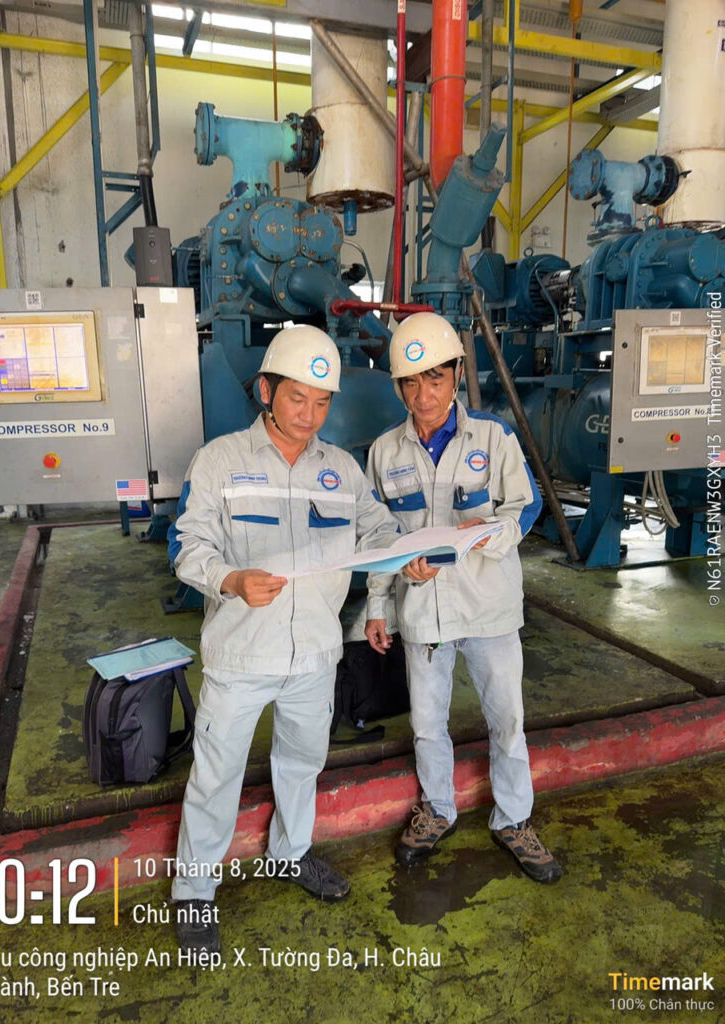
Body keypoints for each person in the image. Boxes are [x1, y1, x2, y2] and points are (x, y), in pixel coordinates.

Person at [170, 325, 401, 953]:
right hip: (241, 653)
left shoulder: (342, 470)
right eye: (298, 398)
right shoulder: (221, 461)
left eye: (322, 402)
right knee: (216, 774)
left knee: (301, 764)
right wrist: (230, 579)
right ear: (267, 391)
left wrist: (408, 553)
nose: (310, 414)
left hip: (315, 654)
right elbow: (188, 546)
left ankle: (290, 853)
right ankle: (194, 891)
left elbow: (380, 530)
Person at [364, 312, 562, 884]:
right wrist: (378, 603)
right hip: (422, 611)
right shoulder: (384, 452)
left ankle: (514, 819)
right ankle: (438, 809)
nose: (423, 395)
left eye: (434, 378)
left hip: (487, 605)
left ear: (455, 373)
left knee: (507, 719)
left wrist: (482, 534)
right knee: (427, 722)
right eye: (409, 382)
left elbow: (525, 506)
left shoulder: (494, 438)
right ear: (398, 387)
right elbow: (378, 536)